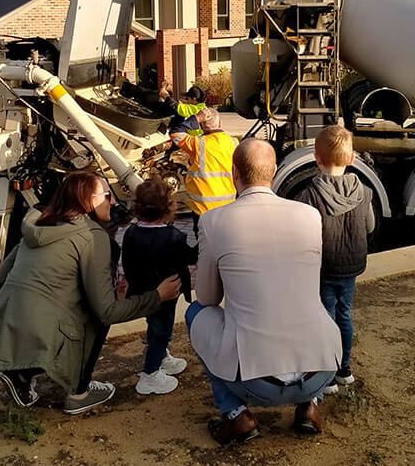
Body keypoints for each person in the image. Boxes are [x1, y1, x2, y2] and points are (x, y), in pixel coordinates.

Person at [0, 171, 182, 414]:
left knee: (68, 307)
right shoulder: (93, 237)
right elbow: (106, 312)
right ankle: (79, 392)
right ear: (90, 201)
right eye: (107, 195)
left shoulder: (37, 223)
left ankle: (22, 372)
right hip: (42, 332)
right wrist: (157, 296)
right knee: (96, 313)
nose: (113, 202)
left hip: (2, 332)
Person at [187, 139, 341, 444]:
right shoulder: (309, 215)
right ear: (273, 172)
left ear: (234, 173)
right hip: (321, 371)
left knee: (195, 313)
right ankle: (309, 406)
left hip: (255, 382)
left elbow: (206, 299)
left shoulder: (213, 220)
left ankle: (236, 415)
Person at [293, 125, 375, 394]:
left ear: (316, 159)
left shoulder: (310, 195)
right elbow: (371, 226)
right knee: (344, 314)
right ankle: (345, 369)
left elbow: (301, 233)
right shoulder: (363, 192)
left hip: (323, 268)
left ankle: (326, 376)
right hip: (350, 268)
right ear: (351, 159)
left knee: (325, 317)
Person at [121, 178, 198, 395]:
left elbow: (126, 261)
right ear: (169, 208)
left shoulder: (130, 233)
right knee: (162, 331)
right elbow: (189, 258)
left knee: (154, 326)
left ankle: (161, 357)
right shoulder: (173, 237)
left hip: (141, 291)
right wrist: (202, 240)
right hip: (166, 294)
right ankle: (150, 374)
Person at [170, 108, 236, 235]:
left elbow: (175, 132)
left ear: (201, 126)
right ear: (220, 123)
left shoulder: (197, 143)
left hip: (203, 211)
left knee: (203, 246)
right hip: (227, 209)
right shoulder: (233, 143)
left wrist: (196, 119)